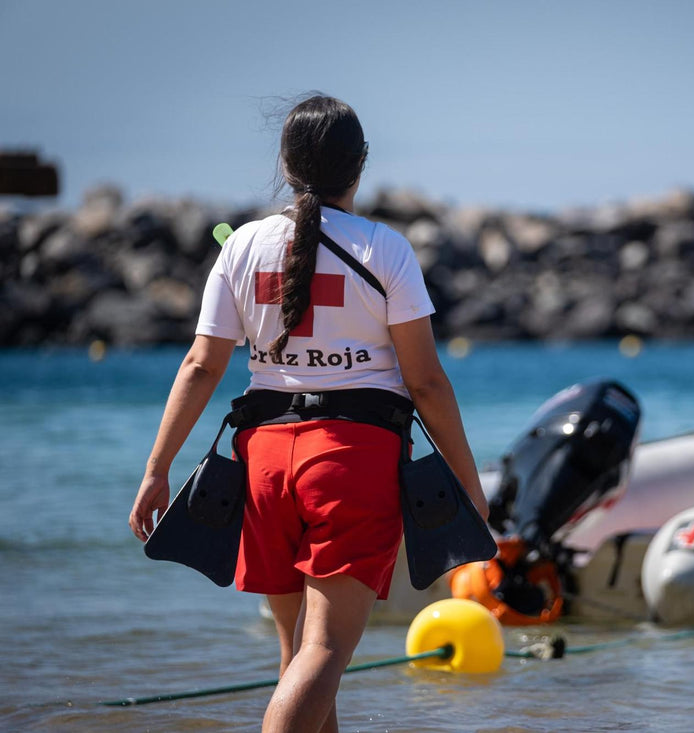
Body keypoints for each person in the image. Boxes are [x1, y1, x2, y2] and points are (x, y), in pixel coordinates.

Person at [129, 94, 488, 733]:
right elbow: (426, 382)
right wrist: (467, 481)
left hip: (263, 462)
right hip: (353, 462)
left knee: (299, 660)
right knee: (322, 655)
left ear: (286, 164)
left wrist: (157, 470)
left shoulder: (241, 246)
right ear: (361, 166)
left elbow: (200, 367)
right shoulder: (386, 249)